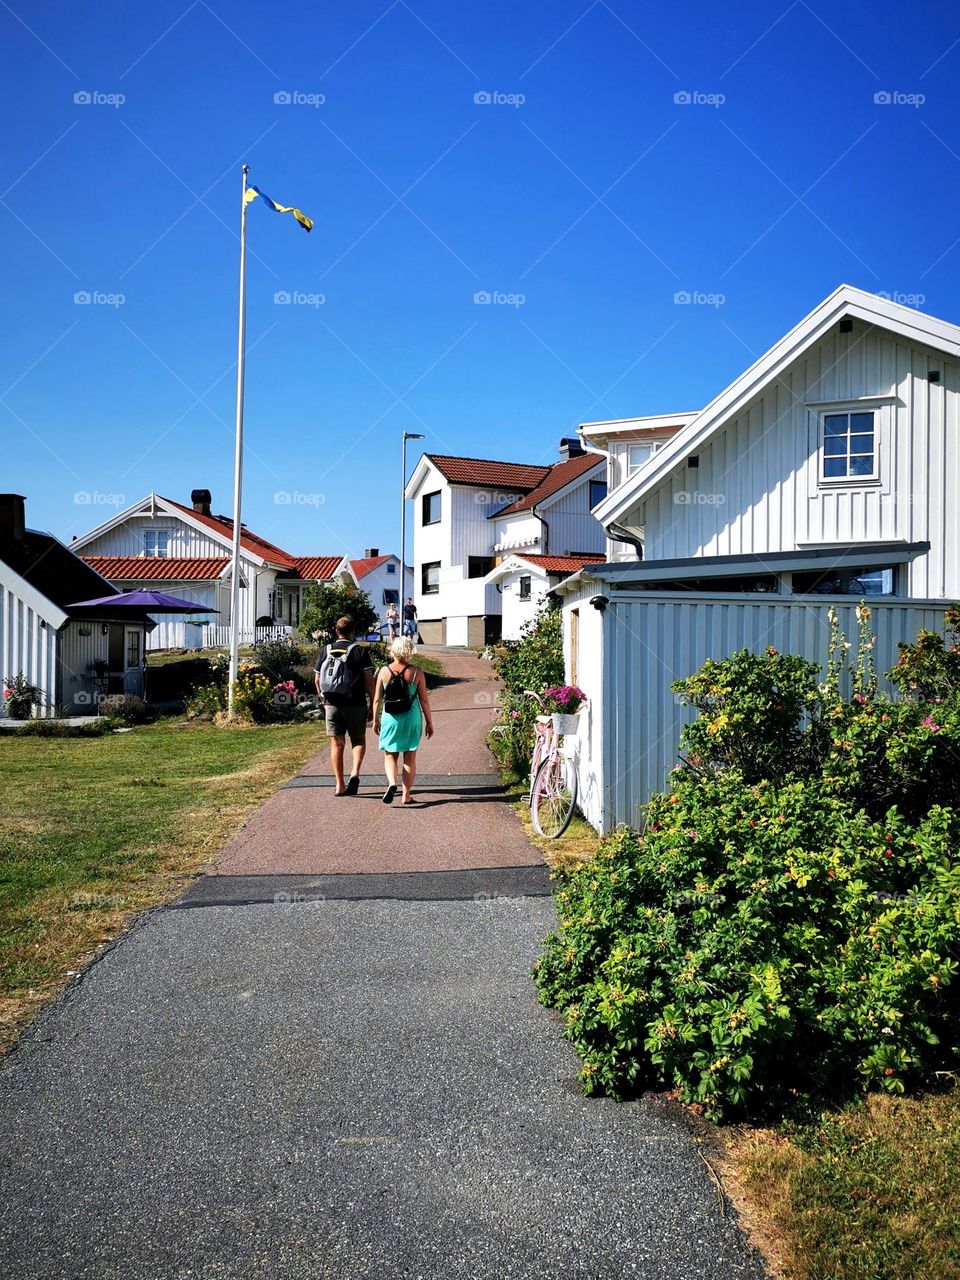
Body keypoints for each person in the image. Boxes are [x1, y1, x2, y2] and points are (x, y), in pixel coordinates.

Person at [314, 616, 376, 797]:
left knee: (337, 743)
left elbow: (317, 679)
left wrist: (322, 698)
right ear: (353, 632)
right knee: (358, 740)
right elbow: (369, 681)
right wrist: (373, 703)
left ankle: (339, 785)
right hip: (355, 703)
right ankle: (355, 773)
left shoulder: (325, 650)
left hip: (332, 703)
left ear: (336, 632)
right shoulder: (359, 651)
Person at [372, 635, 434, 805]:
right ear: (409, 650)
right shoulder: (417, 672)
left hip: (390, 718)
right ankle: (406, 795)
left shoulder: (384, 671)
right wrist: (429, 722)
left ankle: (392, 783)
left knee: (390, 754)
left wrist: (375, 720)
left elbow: (377, 699)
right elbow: (424, 700)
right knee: (409, 756)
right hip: (412, 717)